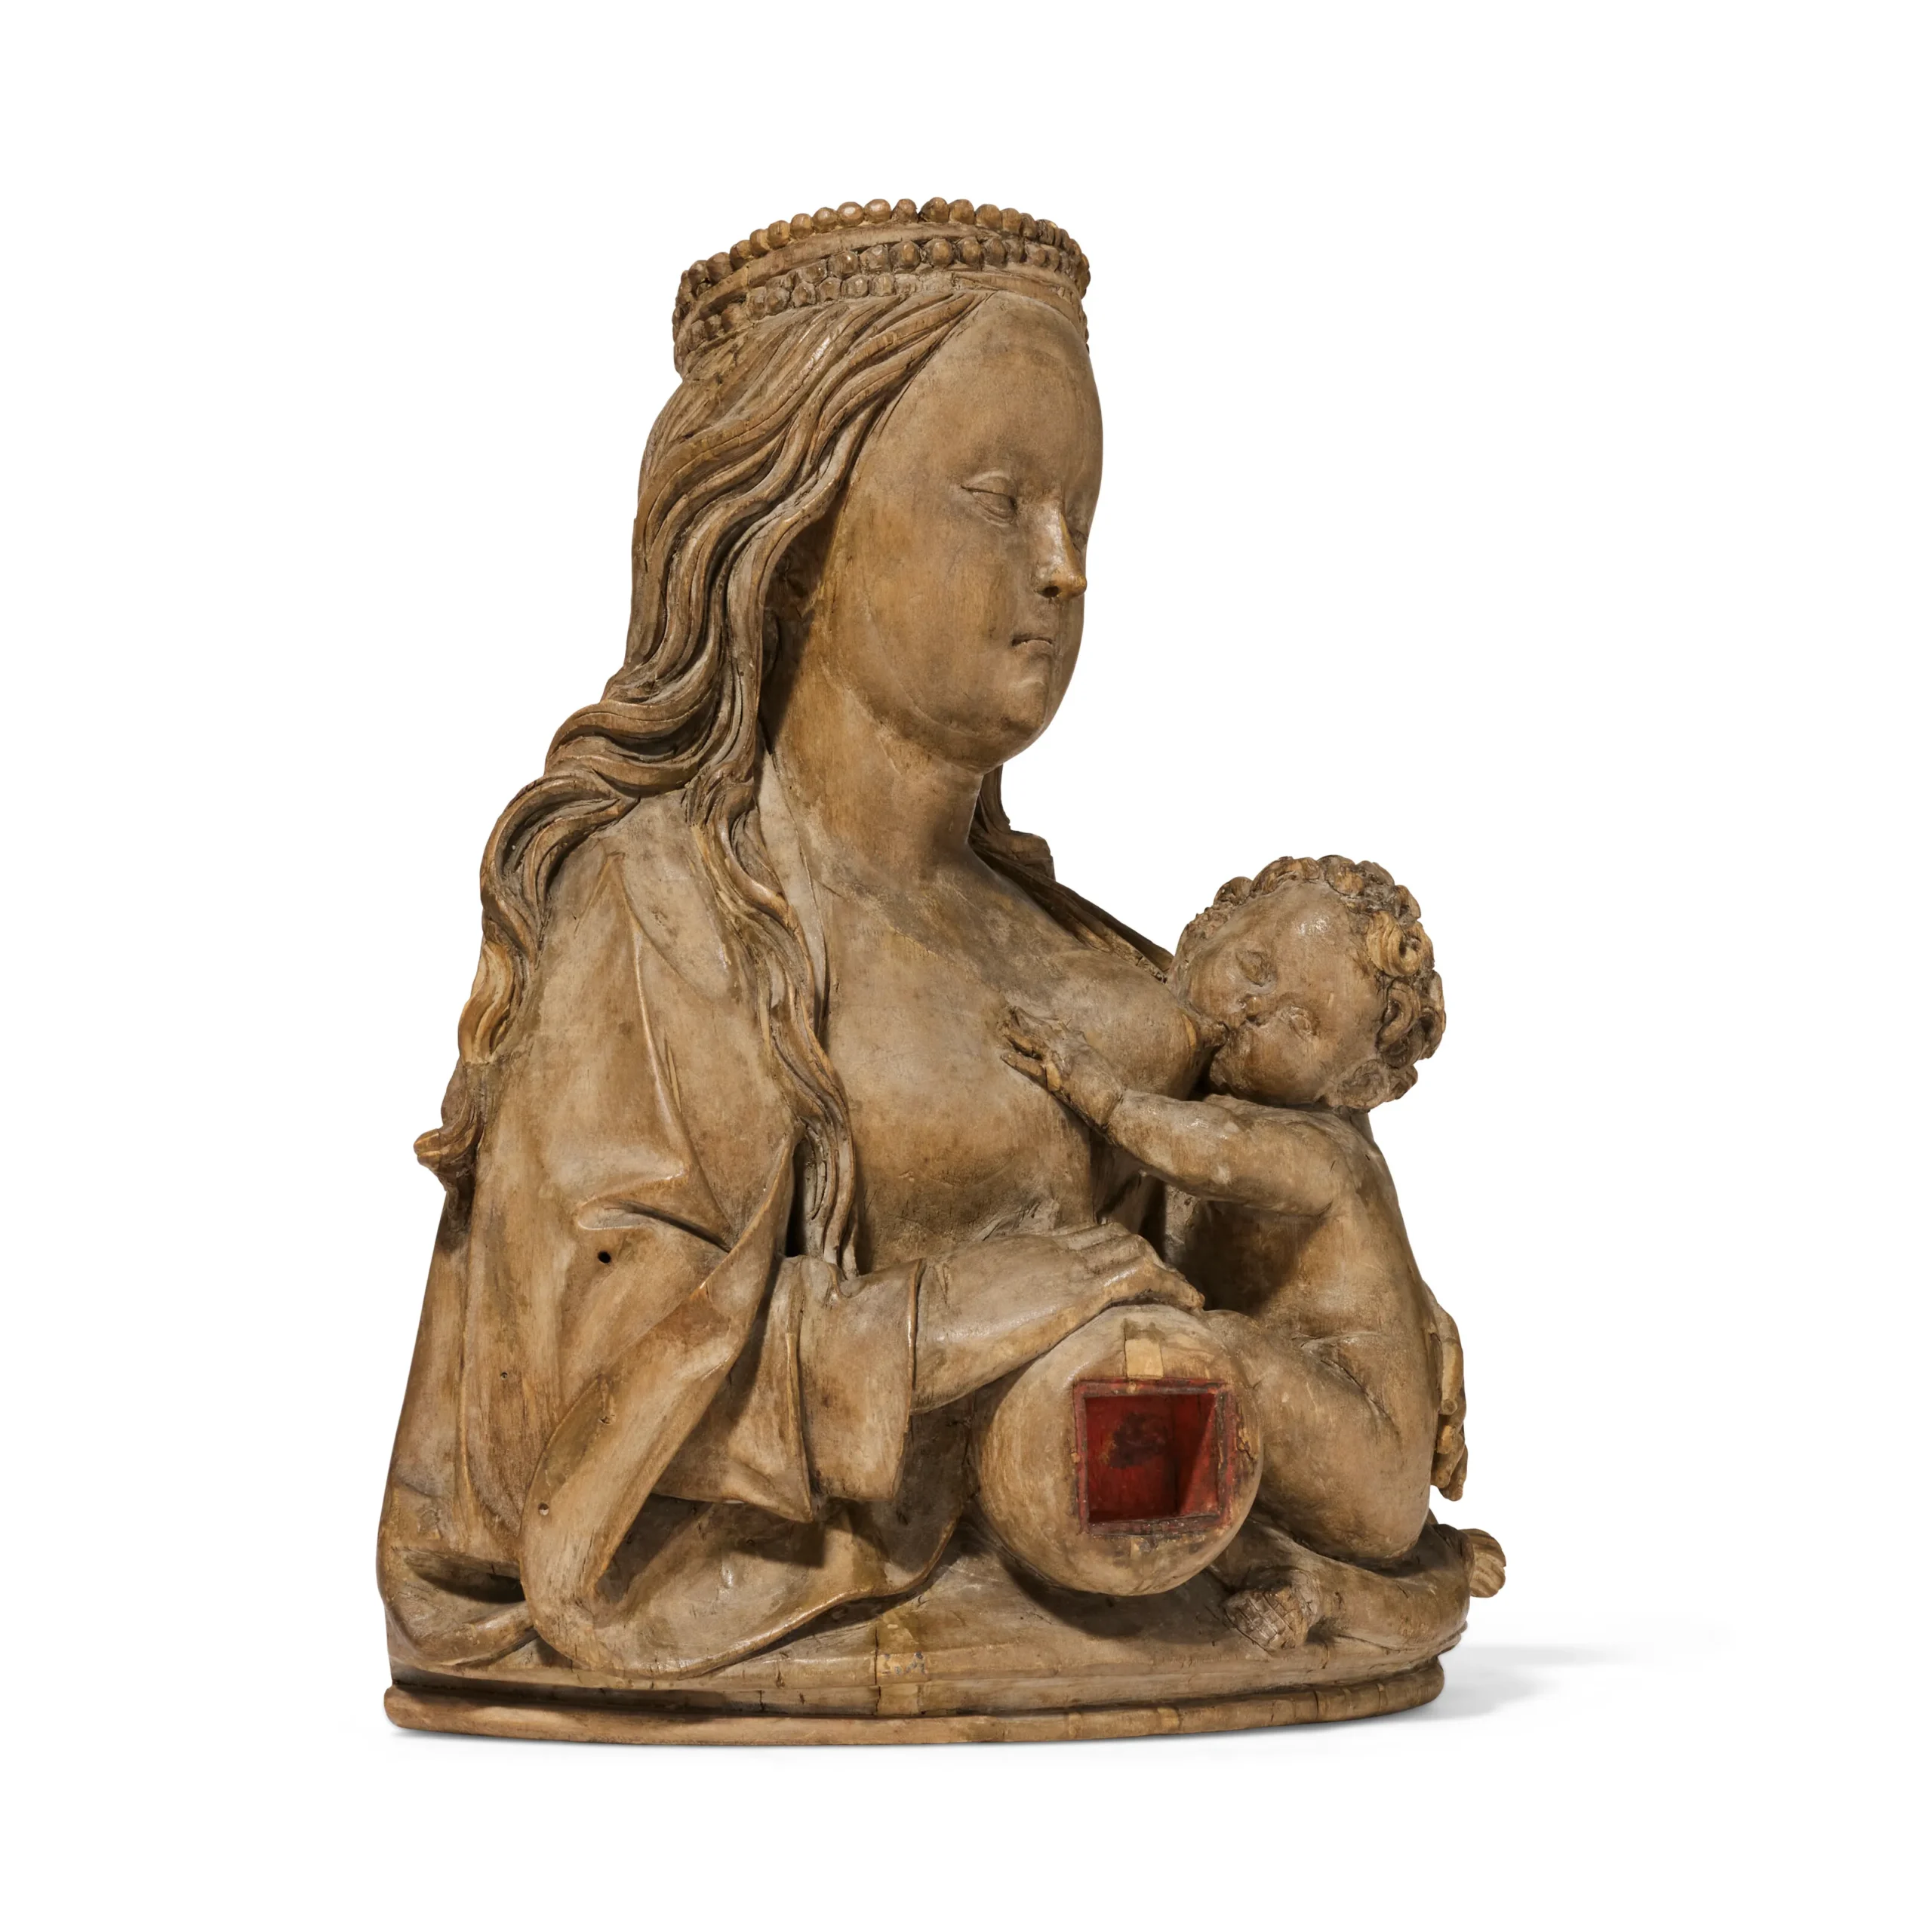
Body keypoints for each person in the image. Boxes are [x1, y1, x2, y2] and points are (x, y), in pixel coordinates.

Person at [1004, 854, 1472, 1577]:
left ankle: (1249, 1565)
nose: (1256, 1010)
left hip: (1366, 1455)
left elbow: (1215, 1151)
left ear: (1346, 1086)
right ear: (1203, 932)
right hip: (1332, 1434)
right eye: (1255, 967)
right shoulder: (1168, 1024)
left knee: (1217, 1352)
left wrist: (1104, 1098)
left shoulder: (1320, 1147)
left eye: (1301, 1023)